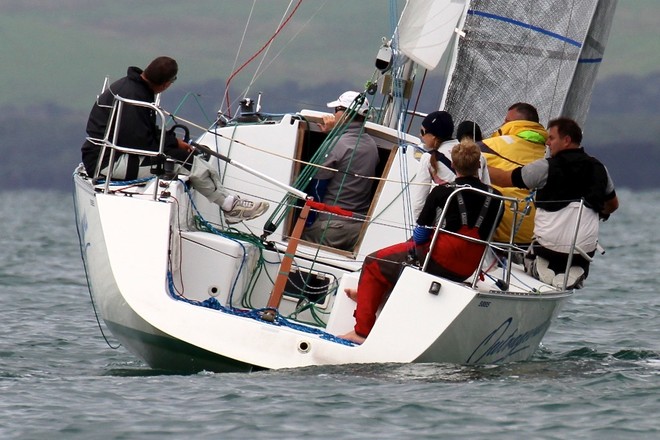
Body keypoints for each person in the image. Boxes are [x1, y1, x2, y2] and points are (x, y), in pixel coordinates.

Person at [340, 141, 503, 344]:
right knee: (402, 257)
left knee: (374, 262)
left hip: (440, 259)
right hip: (469, 266)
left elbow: (421, 234)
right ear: (479, 164)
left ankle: (361, 332)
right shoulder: (497, 197)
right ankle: (368, 296)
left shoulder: (443, 192)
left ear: (453, 165)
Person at [81, 56, 268, 224]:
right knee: (187, 163)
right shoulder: (135, 96)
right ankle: (229, 207)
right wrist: (172, 148)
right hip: (106, 162)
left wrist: (174, 142)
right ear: (166, 84)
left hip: (104, 154)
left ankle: (230, 202)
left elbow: (140, 132)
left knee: (189, 159)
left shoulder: (130, 87)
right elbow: (139, 142)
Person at [488, 117, 619, 289]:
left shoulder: (545, 167)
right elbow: (613, 205)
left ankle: (535, 265)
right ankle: (576, 270)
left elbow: (506, 179)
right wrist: (598, 210)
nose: (547, 143)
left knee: (532, 252)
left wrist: (478, 164)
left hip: (547, 248)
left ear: (566, 140)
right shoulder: (599, 168)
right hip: (581, 252)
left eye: (551, 138)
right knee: (577, 246)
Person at [302, 91, 379, 251]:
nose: (333, 114)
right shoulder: (372, 145)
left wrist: (308, 223)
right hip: (357, 229)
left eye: (336, 110)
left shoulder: (337, 144)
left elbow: (316, 188)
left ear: (345, 115)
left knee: (297, 240)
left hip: (331, 227)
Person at [480, 102, 547, 246]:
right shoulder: (550, 157)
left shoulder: (489, 147)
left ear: (514, 124)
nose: (503, 124)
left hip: (496, 234)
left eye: (506, 121)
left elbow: (458, 163)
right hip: (533, 240)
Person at [410, 111, 490, 219]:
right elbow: (488, 191)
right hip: (477, 221)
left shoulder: (428, 158)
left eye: (422, 131)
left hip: (449, 221)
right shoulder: (479, 155)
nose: (420, 135)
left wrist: (420, 227)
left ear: (433, 136)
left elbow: (419, 203)